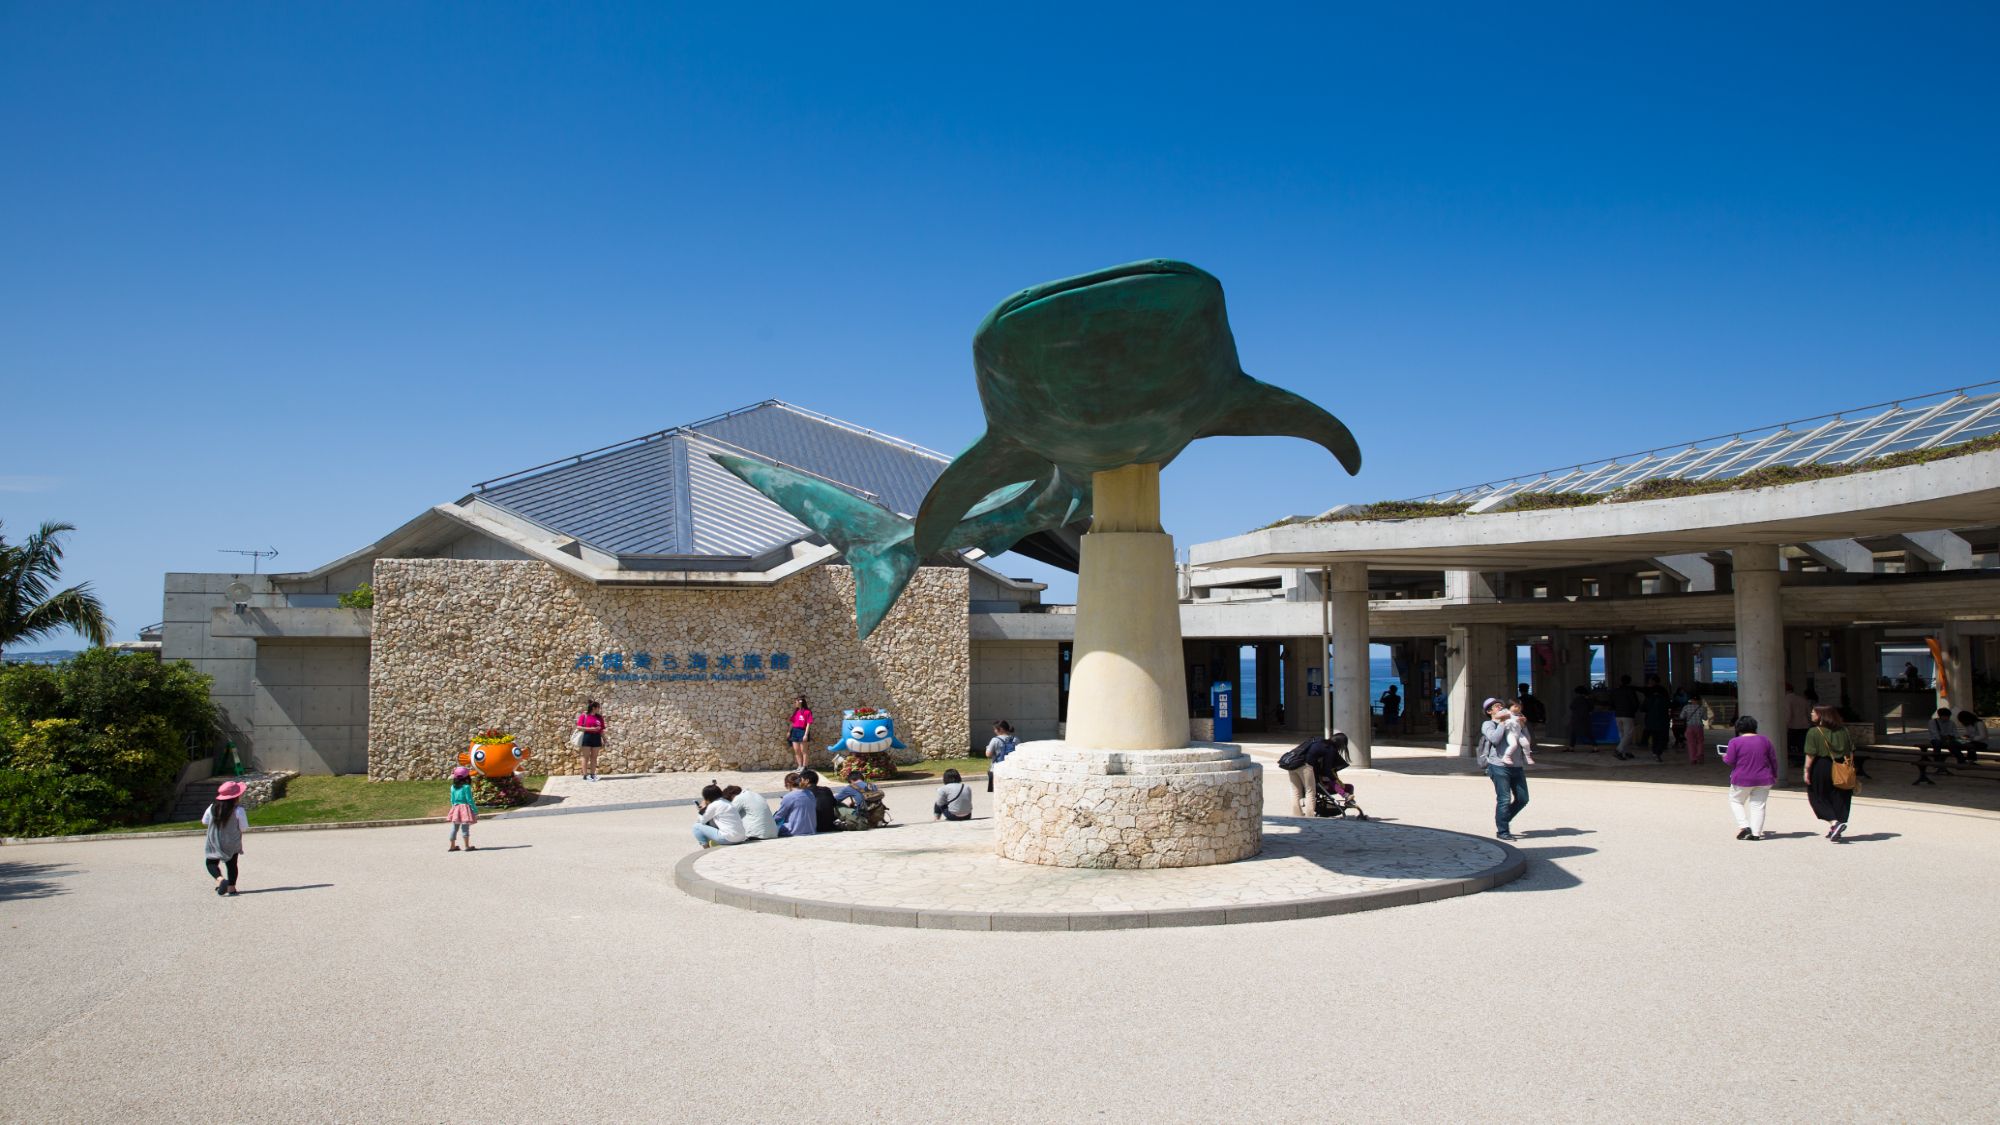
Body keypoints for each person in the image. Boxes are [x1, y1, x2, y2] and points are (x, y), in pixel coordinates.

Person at [1478, 697, 1530, 840]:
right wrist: (1502, 722)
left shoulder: (1513, 720)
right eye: (1495, 706)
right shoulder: (1488, 724)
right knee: (1504, 799)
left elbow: (1526, 741)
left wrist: (1523, 726)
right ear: (1489, 711)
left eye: (1501, 705)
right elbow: (1494, 739)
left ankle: (1503, 820)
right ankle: (1503, 831)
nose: (1500, 707)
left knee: (1523, 798)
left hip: (1517, 765)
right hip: (1498, 766)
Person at [1721, 714, 1778, 840]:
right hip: (1764, 778)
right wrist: (1774, 774)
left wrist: (1724, 757)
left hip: (1742, 778)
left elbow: (1730, 760)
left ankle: (1745, 826)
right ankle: (1756, 834)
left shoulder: (1735, 742)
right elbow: (1773, 759)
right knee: (1758, 805)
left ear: (1738, 728)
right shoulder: (1765, 740)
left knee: (1736, 801)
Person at [1803, 705, 1855, 842]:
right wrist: (1850, 767)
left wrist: (1806, 770)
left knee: (1817, 795)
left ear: (1821, 715)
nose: (1811, 714)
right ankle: (1835, 827)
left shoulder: (1814, 732)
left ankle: (1834, 823)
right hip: (1842, 765)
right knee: (1839, 795)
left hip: (1822, 766)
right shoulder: (1844, 731)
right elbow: (1850, 751)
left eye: (1813, 712)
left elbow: (1810, 754)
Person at [202, 780, 249, 896]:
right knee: (232, 864)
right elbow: (244, 827)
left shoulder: (212, 808)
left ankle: (220, 880)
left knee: (211, 862)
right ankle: (231, 888)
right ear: (236, 797)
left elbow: (204, 821)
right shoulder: (238, 810)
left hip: (214, 841)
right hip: (231, 841)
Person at [692, 782, 749, 847]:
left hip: (729, 839)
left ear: (707, 797)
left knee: (696, 827)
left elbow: (702, 821)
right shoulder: (727, 802)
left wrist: (702, 810)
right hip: (741, 837)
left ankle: (706, 847)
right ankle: (715, 841)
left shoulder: (714, 805)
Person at [774, 772, 817, 837]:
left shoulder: (788, 796)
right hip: (811, 829)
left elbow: (779, 817)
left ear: (788, 784)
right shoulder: (810, 794)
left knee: (774, 826)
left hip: (794, 830)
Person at [799, 768, 840, 833]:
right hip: (829, 825)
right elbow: (834, 803)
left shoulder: (804, 793)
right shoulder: (827, 790)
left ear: (807, 780)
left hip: (814, 827)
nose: (799, 782)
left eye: (800, 780)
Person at [447, 766, 478, 852]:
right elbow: (469, 800)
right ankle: (467, 846)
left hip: (456, 807)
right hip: (465, 808)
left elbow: (452, 800)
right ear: (467, 776)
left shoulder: (453, 787)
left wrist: (454, 808)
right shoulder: (466, 787)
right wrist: (475, 810)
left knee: (454, 828)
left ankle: (452, 846)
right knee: (465, 827)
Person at [1609, 675, 1640, 760]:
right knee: (1628, 734)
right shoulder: (1630, 691)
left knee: (1622, 734)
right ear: (1629, 681)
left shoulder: (1615, 691)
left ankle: (1625, 752)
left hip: (1618, 714)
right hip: (1628, 714)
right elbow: (1635, 703)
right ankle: (1618, 750)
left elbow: (1611, 703)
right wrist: (1633, 712)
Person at [574, 700, 605, 781]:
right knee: (585, 757)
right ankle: (585, 775)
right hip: (587, 736)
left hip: (597, 737)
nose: (599, 709)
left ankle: (592, 774)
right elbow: (579, 727)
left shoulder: (599, 717)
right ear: (593, 708)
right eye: (598, 707)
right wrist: (591, 728)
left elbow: (601, 730)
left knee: (594, 757)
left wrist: (605, 739)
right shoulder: (584, 716)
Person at [1642, 678, 1671, 762]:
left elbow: (1642, 709)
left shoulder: (1648, 699)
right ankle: (1658, 752)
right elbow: (1670, 706)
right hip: (1662, 721)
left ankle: (1655, 752)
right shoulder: (1664, 700)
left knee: (1655, 738)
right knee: (1661, 738)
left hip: (1651, 721)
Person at [1783, 683, 1813, 765]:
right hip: (1805, 725)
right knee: (1803, 745)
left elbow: (1788, 714)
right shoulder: (1802, 699)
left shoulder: (1786, 699)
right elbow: (1809, 713)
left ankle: (1795, 761)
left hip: (1793, 726)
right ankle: (1802, 761)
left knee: (1792, 746)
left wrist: (1785, 726)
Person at [985, 720, 1018, 793]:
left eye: (995, 729)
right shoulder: (1015, 739)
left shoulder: (995, 740)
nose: (994, 731)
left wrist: (987, 748)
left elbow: (988, 754)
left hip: (997, 768)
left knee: (998, 792)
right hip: (1011, 768)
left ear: (1001, 729)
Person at [1680, 692, 1709, 765]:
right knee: (1700, 742)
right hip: (1699, 727)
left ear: (1691, 700)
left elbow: (1681, 716)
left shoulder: (1686, 707)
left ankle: (1693, 759)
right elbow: (1705, 718)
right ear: (1698, 700)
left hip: (1689, 727)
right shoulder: (1702, 708)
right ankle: (1699, 755)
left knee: (1691, 743)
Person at [786, 696, 814, 771]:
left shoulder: (808, 712)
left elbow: (808, 724)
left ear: (800, 702)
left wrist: (805, 734)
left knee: (803, 751)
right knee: (796, 750)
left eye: (796, 702)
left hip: (803, 731)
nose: (795, 703)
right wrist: (789, 731)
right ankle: (799, 766)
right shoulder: (796, 712)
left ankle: (805, 767)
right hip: (795, 731)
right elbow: (792, 723)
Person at [1567, 685, 1597, 750]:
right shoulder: (1588, 699)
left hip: (1576, 717)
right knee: (1588, 732)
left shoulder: (1576, 699)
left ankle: (1571, 747)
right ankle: (1595, 747)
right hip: (1586, 717)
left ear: (1578, 692)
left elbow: (1571, 707)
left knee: (1573, 732)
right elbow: (1591, 708)